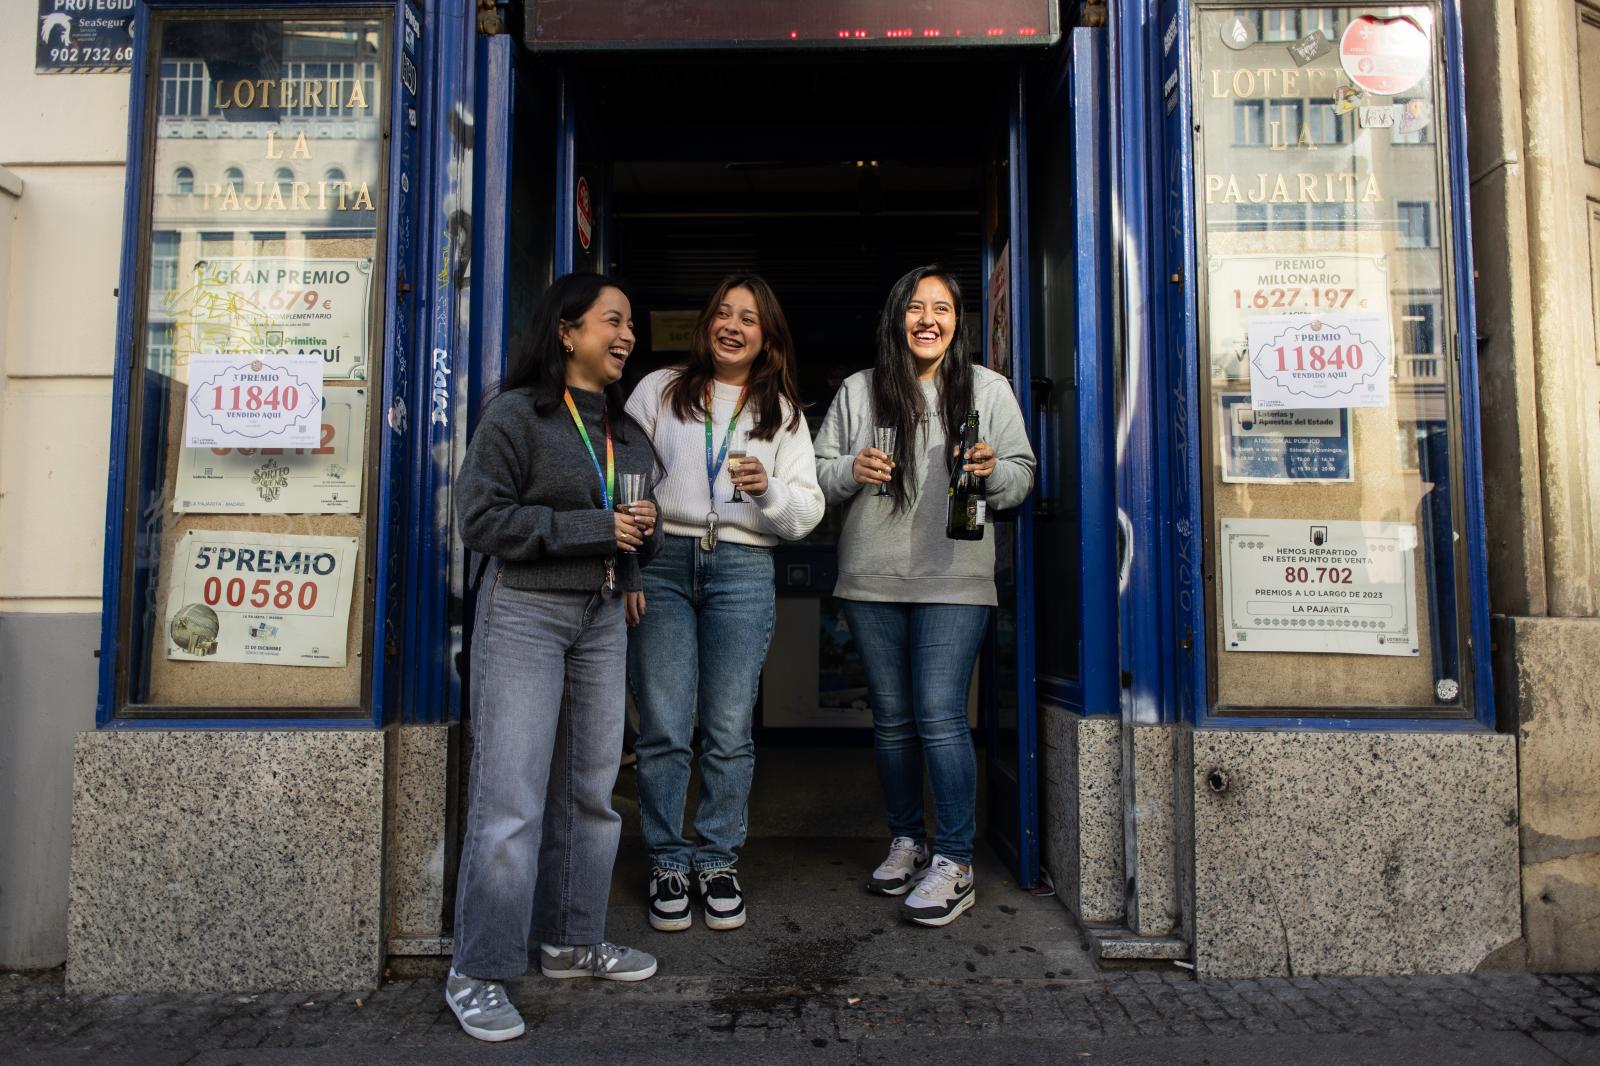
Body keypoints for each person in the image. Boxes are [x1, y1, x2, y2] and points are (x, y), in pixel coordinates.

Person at [447, 272, 663, 1043]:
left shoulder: (627, 430)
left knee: (592, 794)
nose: (627, 334)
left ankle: (572, 941)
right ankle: (479, 971)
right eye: (614, 319)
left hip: (602, 617)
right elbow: (480, 518)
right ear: (567, 331)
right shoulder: (516, 415)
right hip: (527, 613)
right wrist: (596, 530)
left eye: (631, 323)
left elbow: (636, 524)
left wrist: (639, 538)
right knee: (511, 802)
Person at [813, 264, 1036, 927]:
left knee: (938, 712)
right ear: (897, 318)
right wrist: (851, 469)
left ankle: (956, 859)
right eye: (915, 306)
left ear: (958, 322)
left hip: (956, 577)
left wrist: (995, 472)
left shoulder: (988, 390)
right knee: (891, 718)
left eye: (941, 307)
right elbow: (817, 479)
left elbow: (1022, 478)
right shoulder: (860, 391)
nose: (928, 319)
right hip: (871, 578)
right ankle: (907, 839)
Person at [625, 275, 825, 933]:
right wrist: (625, 560)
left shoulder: (785, 415)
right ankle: (667, 860)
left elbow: (805, 517)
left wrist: (767, 490)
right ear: (706, 323)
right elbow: (616, 473)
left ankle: (716, 861)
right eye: (723, 313)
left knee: (729, 727)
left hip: (742, 566)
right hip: (664, 563)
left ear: (767, 338)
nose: (733, 325)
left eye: (749, 318)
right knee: (663, 724)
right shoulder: (657, 390)